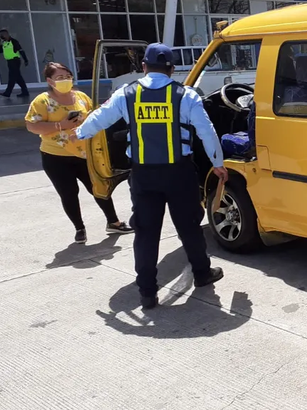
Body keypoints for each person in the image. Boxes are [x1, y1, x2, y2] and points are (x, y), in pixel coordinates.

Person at [71, 43, 227, 309]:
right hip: (179, 173)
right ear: (172, 69)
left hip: (143, 175)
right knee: (189, 226)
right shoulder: (186, 95)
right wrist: (218, 163)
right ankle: (202, 274)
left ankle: (147, 292)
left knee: (145, 233)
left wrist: (78, 134)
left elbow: (100, 118)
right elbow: (207, 131)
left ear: (143, 66)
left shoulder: (126, 94)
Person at [24, 62, 133, 244]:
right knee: (69, 193)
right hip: (56, 157)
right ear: (50, 81)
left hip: (85, 154)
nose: (65, 80)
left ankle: (113, 222)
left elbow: (95, 117)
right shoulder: (42, 101)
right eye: (60, 78)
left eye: (68, 76)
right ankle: (79, 228)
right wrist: (61, 125)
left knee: (99, 188)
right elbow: (32, 125)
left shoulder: (81, 97)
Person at [0, 29, 30, 98]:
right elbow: (0, 51)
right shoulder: (4, 43)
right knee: (17, 77)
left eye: (2, 35)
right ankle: (25, 91)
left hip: (15, 61)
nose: (1, 36)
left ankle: (8, 92)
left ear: (6, 34)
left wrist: (25, 60)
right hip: (9, 61)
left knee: (12, 77)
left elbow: (21, 50)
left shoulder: (14, 42)